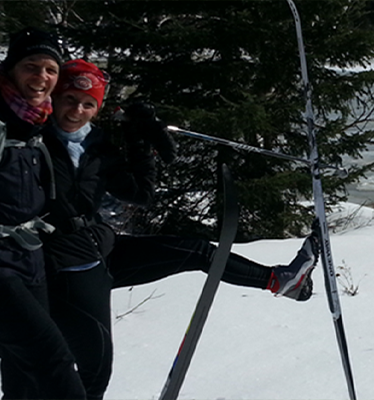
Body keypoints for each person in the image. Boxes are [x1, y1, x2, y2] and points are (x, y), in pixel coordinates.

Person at [40, 59, 318, 399]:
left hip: (99, 248)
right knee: (91, 370)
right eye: (69, 99)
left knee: (198, 251)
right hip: (66, 265)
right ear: (54, 98)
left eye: (88, 104)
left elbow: (140, 194)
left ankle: (281, 281)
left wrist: (140, 143)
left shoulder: (96, 144)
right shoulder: (31, 140)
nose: (76, 111)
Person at [0, 27, 87, 399]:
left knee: (24, 374)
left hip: (30, 256)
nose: (41, 77)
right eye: (31, 66)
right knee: (52, 359)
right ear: (12, 71)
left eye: (50, 69)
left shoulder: (37, 122)